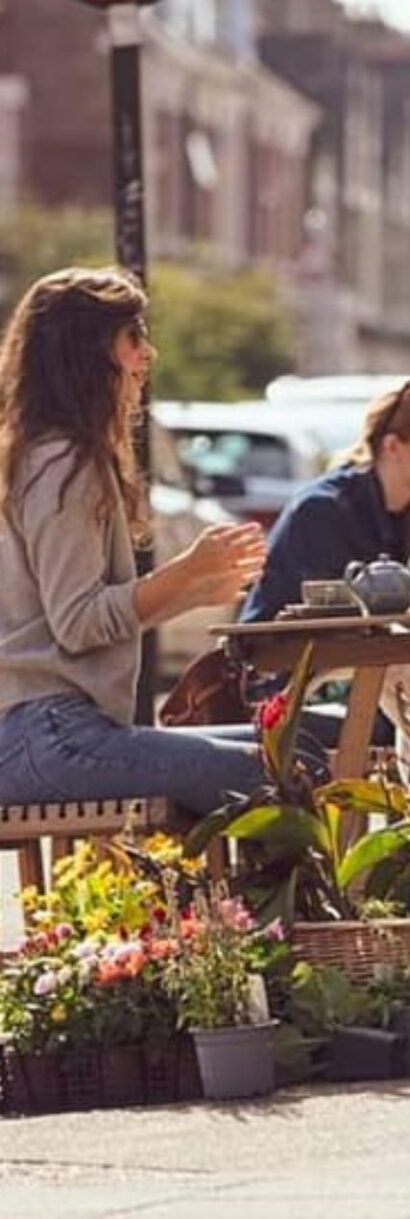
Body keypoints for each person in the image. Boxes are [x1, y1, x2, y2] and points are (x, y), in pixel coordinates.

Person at [0, 268, 270, 814]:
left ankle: (235, 903)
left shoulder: (41, 457)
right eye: (133, 337)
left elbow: (68, 621)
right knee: (270, 774)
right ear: (88, 353)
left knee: (288, 751)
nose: (148, 354)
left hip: (46, 732)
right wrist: (186, 572)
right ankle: (250, 904)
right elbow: (78, 624)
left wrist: (191, 592)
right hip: (49, 735)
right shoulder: (64, 464)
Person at [241, 377, 410, 624]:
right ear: (393, 447)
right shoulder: (322, 511)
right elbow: (335, 628)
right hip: (281, 656)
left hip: (369, 657)